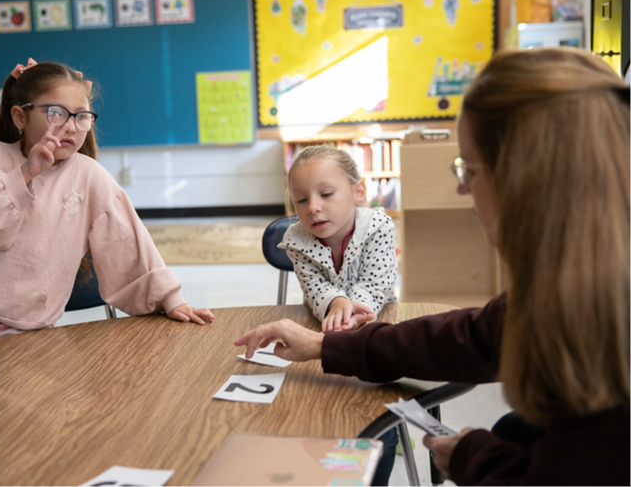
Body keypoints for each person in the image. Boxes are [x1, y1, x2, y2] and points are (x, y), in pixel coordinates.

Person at [236, 47, 631, 485]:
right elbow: (476, 337)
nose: (463, 190)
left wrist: (472, 457)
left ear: (523, 177)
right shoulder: (574, 280)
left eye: (469, 170)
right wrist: (323, 347)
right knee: (513, 430)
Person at [0, 58, 214, 349]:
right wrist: (26, 173)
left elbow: (128, 243)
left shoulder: (89, 175)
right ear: (20, 117)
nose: (70, 127)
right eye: (56, 113)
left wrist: (170, 300)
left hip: (30, 329)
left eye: (81, 116)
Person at [282, 145, 398, 333]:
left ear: (358, 192)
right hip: (325, 322)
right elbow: (314, 289)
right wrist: (336, 303)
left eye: (326, 194)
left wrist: (352, 311)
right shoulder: (296, 240)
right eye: (301, 200)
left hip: (376, 323)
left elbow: (375, 285)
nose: (312, 208)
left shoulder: (379, 226)